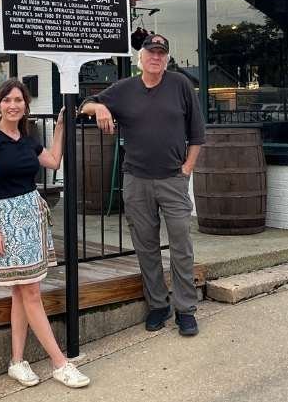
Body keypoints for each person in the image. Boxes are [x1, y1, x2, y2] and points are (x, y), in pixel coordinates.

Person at [81, 33, 205, 336]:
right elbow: (84, 104)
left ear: (167, 59)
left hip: (173, 179)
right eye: (151, 52)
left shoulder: (180, 85)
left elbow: (198, 133)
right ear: (141, 57)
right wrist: (100, 108)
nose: (156, 57)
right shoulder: (124, 89)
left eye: (162, 53)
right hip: (136, 180)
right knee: (146, 246)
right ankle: (158, 306)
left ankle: (185, 310)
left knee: (181, 245)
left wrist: (187, 169)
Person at [0, 79, 90, 389]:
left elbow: (52, 161)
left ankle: (16, 361)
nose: (14, 105)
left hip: (32, 217)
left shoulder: (27, 138)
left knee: (20, 291)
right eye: (8, 99)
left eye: (19, 100)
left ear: (26, 105)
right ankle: (60, 363)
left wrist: (61, 126)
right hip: (7, 220)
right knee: (31, 292)